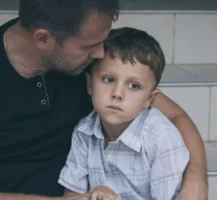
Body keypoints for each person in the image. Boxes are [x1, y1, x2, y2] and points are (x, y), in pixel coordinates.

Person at [0, 0, 207, 200]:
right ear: (43, 39)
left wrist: (196, 178)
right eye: (88, 46)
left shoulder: (88, 66)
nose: (100, 54)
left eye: (102, 41)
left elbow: (174, 115)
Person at [58, 27, 190, 200]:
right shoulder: (84, 132)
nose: (117, 93)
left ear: (149, 99)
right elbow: (71, 194)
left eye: (134, 86)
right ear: (90, 85)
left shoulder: (161, 139)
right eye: (108, 79)